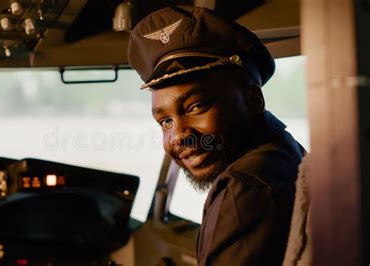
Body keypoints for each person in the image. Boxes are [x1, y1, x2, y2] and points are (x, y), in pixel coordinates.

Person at [128, 5, 304, 266]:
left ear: (254, 100)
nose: (178, 137)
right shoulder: (284, 153)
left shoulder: (244, 188)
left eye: (196, 107)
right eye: (165, 121)